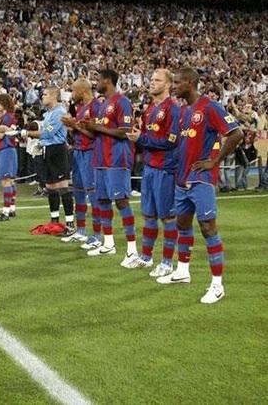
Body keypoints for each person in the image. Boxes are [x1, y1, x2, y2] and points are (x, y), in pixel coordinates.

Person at [156, 68, 243, 304]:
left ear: (191, 83)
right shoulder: (184, 111)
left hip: (201, 180)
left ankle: (217, 285)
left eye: (178, 82)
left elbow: (236, 133)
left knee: (208, 228)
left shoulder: (209, 106)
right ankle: (183, 271)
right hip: (182, 179)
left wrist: (214, 160)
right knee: (183, 225)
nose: (174, 86)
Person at [123, 69, 181, 276]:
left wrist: (141, 139)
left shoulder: (173, 109)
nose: (152, 83)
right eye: (151, 79)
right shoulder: (149, 109)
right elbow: (146, 137)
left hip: (166, 168)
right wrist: (138, 138)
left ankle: (166, 263)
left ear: (167, 85)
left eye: (157, 80)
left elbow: (171, 142)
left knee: (167, 217)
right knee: (148, 215)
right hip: (149, 167)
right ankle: (146, 257)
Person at [84, 69, 138, 262]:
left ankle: (132, 249)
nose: (96, 82)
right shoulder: (101, 105)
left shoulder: (122, 102)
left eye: (98, 79)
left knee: (121, 201)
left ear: (107, 80)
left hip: (116, 159)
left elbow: (125, 132)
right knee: (103, 201)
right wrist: (81, 127)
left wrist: (97, 127)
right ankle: (108, 243)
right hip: (99, 160)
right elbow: (97, 133)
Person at [23, 87, 74, 232]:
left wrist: (28, 133)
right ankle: (54, 221)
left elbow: (47, 134)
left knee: (63, 186)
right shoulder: (48, 114)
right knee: (50, 186)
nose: (42, 97)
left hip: (58, 150)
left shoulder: (59, 112)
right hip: (48, 150)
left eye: (45, 94)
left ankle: (70, 223)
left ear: (53, 96)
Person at [61, 78, 102, 248]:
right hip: (78, 151)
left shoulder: (95, 107)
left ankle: (98, 235)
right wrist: (72, 128)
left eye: (73, 90)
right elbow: (81, 131)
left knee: (93, 194)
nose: (72, 94)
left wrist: (75, 125)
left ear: (82, 91)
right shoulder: (80, 108)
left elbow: (95, 134)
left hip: (90, 153)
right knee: (77, 192)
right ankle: (81, 231)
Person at [0, 94, 18, 221]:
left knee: (6, 180)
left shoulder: (6, 117)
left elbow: (0, 136)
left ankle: (6, 212)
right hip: (10, 149)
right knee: (11, 180)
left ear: (3, 103)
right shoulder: (9, 116)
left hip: (5, 149)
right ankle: (12, 208)